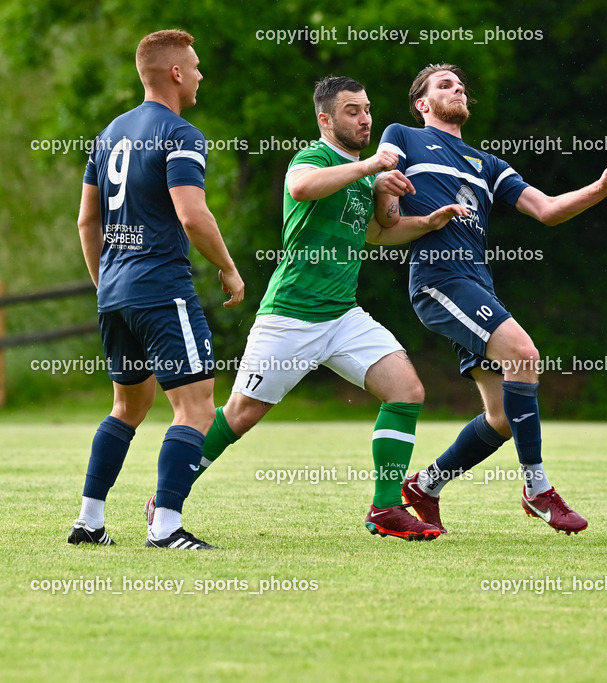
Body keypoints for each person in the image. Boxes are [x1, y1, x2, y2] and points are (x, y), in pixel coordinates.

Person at [152, 75, 468, 541]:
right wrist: (370, 169)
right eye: (352, 111)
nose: (365, 119)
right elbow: (302, 188)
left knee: (406, 391)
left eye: (367, 109)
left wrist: (428, 222)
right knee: (240, 415)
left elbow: (377, 234)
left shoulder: (362, 176)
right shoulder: (313, 158)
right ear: (325, 119)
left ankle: (385, 508)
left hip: (342, 315)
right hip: (290, 315)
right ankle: (166, 497)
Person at [373, 64, 607, 534]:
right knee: (524, 354)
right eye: (444, 85)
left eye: (460, 85)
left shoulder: (489, 164)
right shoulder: (403, 136)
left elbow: (548, 209)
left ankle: (426, 485)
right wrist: (383, 189)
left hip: (477, 284)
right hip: (438, 278)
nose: (457, 89)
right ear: (422, 104)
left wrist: (601, 189)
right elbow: (386, 212)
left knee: (500, 417)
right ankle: (538, 488)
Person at [68, 29, 245, 549]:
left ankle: (90, 521)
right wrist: (229, 268)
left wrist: (107, 284)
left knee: (127, 407)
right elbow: (192, 215)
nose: (200, 75)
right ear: (175, 72)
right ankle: (165, 527)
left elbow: (86, 222)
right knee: (197, 409)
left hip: (115, 292)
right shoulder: (180, 134)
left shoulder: (108, 134)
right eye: (195, 66)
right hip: (161, 289)